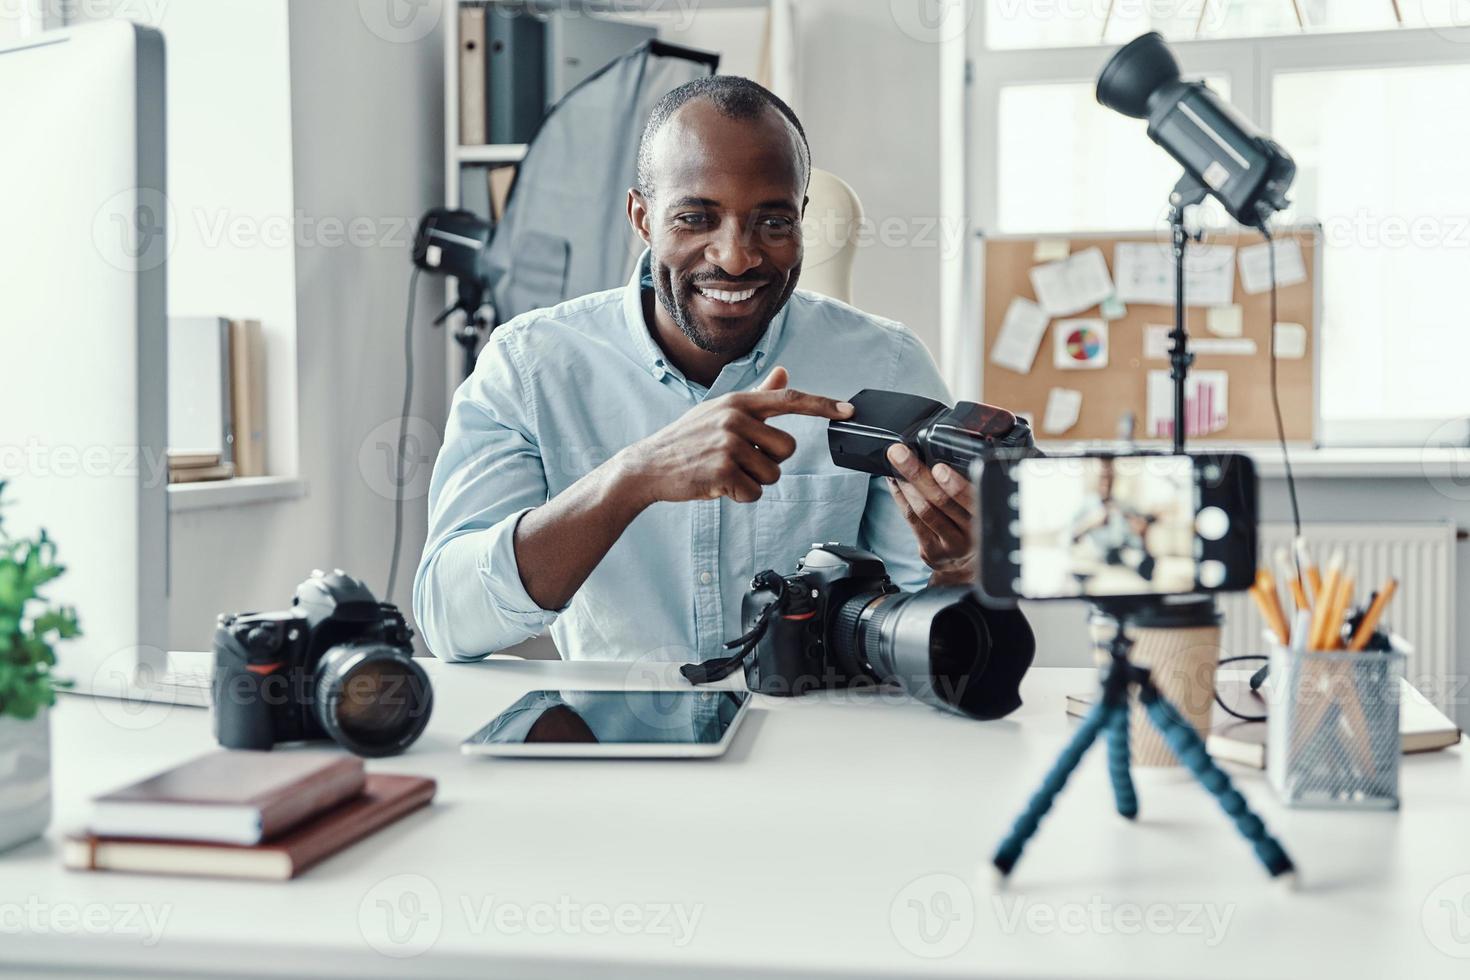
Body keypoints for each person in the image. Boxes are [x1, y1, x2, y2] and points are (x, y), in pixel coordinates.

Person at [414, 76, 975, 665]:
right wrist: (635, 476)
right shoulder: (529, 366)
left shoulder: (885, 363)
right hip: (614, 742)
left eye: (773, 222)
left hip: (821, 734)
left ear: (802, 219)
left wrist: (961, 565)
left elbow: (931, 631)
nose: (736, 257)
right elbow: (450, 621)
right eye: (694, 218)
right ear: (642, 218)